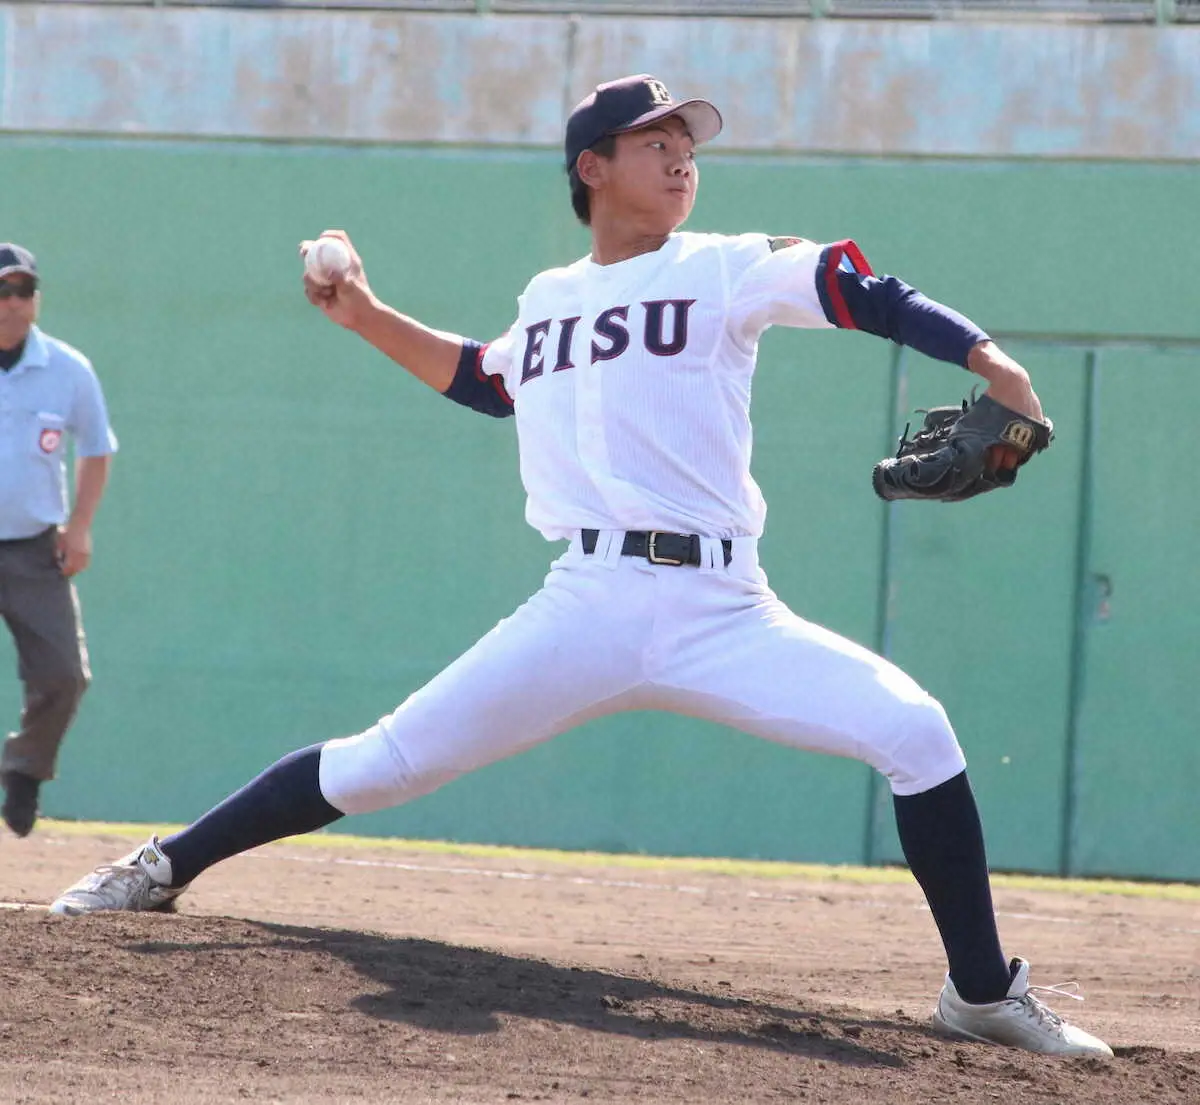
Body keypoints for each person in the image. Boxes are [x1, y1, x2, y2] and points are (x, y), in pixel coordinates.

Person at [49, 76, 1110, 1058]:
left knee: (916, 731)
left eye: (688, 143)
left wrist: (994, 363)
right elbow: (486, 379)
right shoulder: (552, 294)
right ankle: (163, 865)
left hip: (723, 607)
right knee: (379, 765)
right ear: (591, 167)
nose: (683, 158)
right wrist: (367, 315)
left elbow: (860, 287)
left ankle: (981, 992)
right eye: (655, 141)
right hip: (586, 603)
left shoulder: (725, 264)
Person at [0, 243, 118, 837]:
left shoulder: (67, 368)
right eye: (3, 291)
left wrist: (80, 527)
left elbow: (97, 447)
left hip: (32, 546)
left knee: (65, 675)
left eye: (24, 291)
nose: (14, 303)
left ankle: (22, 768)